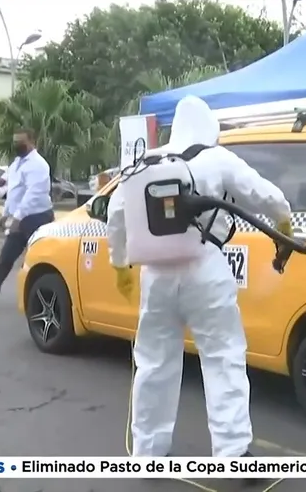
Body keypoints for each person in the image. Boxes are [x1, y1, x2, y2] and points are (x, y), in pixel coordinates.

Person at [107, 96, 292, 460]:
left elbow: (116, 214)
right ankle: (233, 453)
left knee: (154, 364)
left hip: (155, 275)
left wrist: (119, 266)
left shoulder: (145, 162)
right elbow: (263, 194)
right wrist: (283, 222)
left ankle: (147, 455)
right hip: (205, 267)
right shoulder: (215, 157)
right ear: (209, 127)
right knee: (223, 358)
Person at [0, 128, 55, 306]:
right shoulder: (15, 165)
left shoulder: (39, 165)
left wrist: (17, 218)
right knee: (6, 257)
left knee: (40, 260)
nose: (17, 145)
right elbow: (13, 192)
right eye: (15, 141)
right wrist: (5, 214)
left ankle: (46, 297)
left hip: (37, 218)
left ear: (32, 142)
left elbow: (34, 194)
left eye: (21, 141)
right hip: (19, 218)